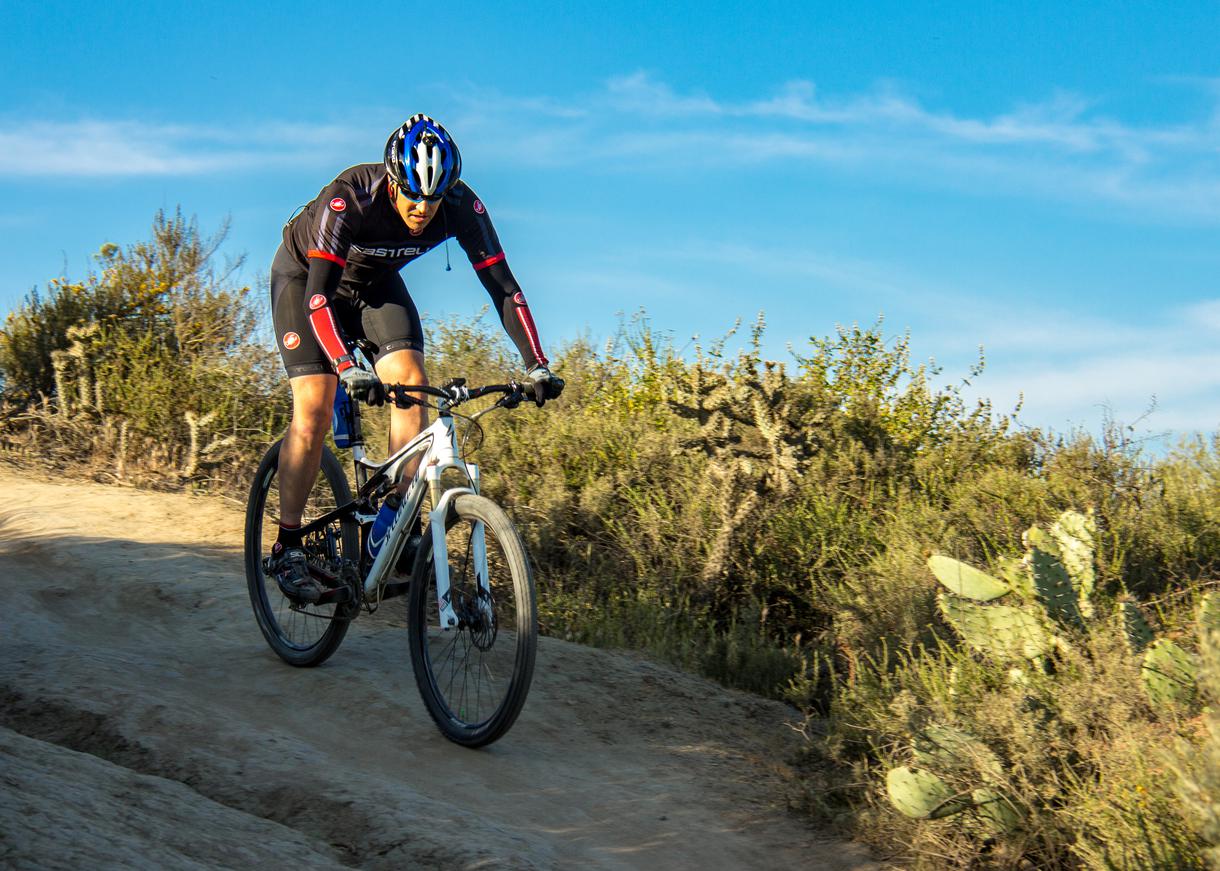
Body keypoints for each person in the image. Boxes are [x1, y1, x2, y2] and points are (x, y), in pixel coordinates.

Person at [267, 113, 564, 602]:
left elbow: (504, 289)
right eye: (412, 195)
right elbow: (319, 299)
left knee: (410, 383)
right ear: (392, 179)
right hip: (307, 284)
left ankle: (388, 525)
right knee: (314, 406)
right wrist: (346, 365)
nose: (423, 208)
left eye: (434, 198)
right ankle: (288, 545)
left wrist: (537, 363)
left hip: (374, 285)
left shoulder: (462, 205)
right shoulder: (350, 198)